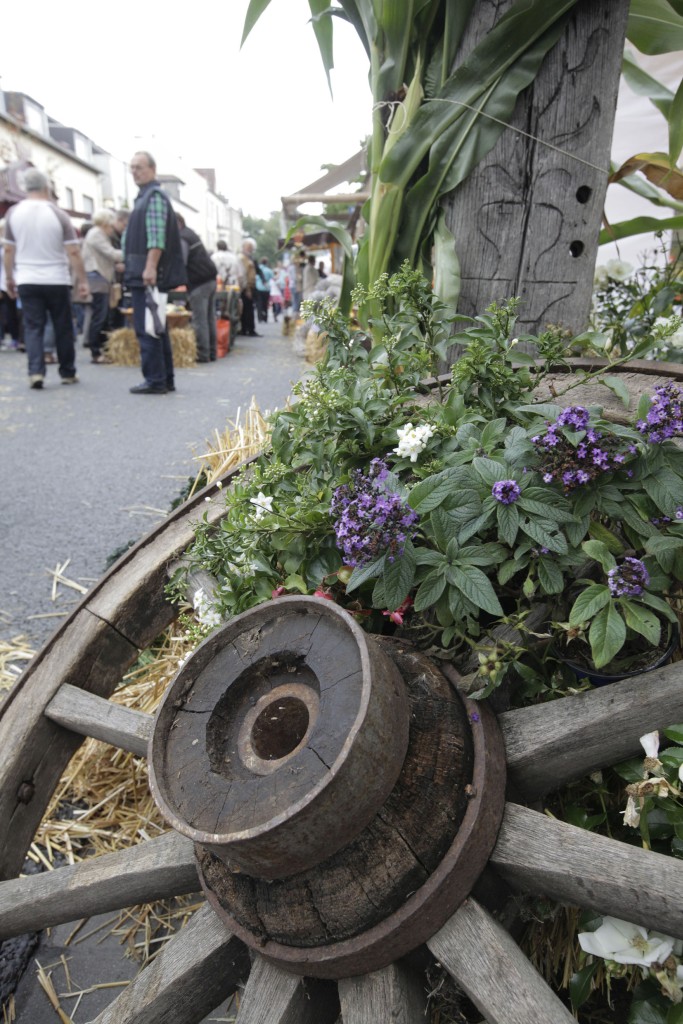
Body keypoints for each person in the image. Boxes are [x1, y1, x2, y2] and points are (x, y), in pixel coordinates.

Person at [2, 167, 88, 389]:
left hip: (27, 277)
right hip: (57, 278)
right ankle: (67, 371)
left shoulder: (13, 213)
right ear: (46, 187)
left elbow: (9, 250)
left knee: (33, 327)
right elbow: (73, 251)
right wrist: (83, 280)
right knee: (62, 326)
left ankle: (36, 371)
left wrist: (9, 278)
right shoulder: (58, 214)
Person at [123, 151, 186, 394]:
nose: (134, 171)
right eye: (132, 167)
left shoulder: (153, 197)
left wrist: (150, 266)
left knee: (148, 327)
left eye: (139, 167)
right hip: (144, 271)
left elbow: (156, 237)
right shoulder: (147, 197)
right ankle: (163, 378)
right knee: (156, 327)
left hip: (148, 274)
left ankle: (156, 380)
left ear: (152, 169)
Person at [81, 210, 124, 363]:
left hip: (99, 276)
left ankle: (102, 350)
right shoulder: (97, 234)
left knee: (101, 315)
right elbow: (111, 253)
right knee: (100, 315)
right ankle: (96, 351)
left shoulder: (96, 233)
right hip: (98, 277)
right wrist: (130, 253)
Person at [176, 213, 218, 362]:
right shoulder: (191, 234)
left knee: (200, 320)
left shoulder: (182, 238)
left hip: (198, 282)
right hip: (209, 279)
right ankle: (212, 352)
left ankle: (202, 354)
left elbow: (181, 261)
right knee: (209, 318)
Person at [237, 237, 260, 337]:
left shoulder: (247, 258)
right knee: (247, 309)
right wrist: (247, 289)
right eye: (249, 247)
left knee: (248, 308)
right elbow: (243, 273)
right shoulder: (242, 258)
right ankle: (248, 329)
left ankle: (246, 328)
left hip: (249, 286)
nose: (251, 249)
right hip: (247, 287)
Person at [255, 257, 273, 323]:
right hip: (266, 288)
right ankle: (265, 318)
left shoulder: (257, 269)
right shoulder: (269, 270)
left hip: (258, 287)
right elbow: (272, 277)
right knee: (265, 304)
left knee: (259, 304)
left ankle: (260, 318)